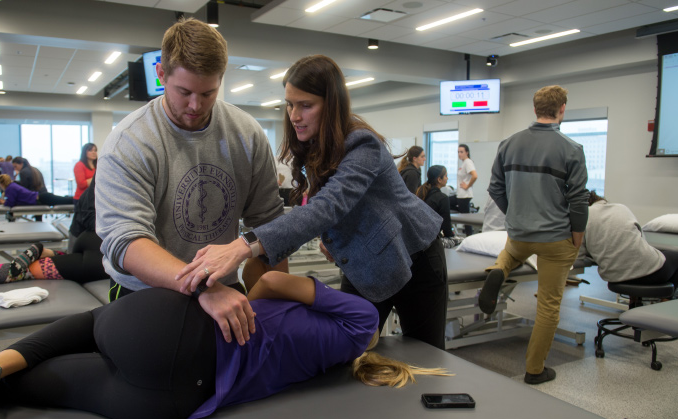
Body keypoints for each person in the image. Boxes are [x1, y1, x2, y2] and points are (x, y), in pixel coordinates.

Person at [0, 271, 451, 419]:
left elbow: (274, 280)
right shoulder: (321, 368)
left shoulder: (358, 320)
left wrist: (250, 302)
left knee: (69, 333)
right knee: (36, 387)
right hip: (178, 396)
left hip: (170, 326)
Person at [176, 55, 449, 349]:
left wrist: (243, 245)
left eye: (306, 105)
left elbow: (329, 206)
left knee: (426, 354)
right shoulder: (313, 145)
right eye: (290, 104)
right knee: (350, 352)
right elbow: (336, 209)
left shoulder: (362, 144)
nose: (294, 115)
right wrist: (333, 238)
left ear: (332, 105)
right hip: (365, 264)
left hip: (415, 256)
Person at [95, 18, 286, 344]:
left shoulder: (247, 134)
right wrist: (199, 285)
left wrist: (283, 297)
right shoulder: (130, 142)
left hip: (223, 286)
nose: (195, 105)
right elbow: (126, 242)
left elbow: (268, 222)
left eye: (208, 93)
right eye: (184, 92)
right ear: (161, 75)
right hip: (146, 290)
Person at [477, 85, 589, 385]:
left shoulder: (509, 143)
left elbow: (495, 188)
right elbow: (579, 200)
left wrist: (514, 213)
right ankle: (535, 369)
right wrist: (577, 235)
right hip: (555, 238)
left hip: (520, 233)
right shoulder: (571, 149)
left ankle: (499, 269)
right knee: (548, 306)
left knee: (511, 253)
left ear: (535, 108)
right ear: (562, 108)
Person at [579, 191, 678, 307]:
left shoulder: (583, 218)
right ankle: (665, 306)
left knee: (630, 263)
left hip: (615, 277)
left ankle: (634, 303)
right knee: (677, 258)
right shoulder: (621, 208)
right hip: (651, 274)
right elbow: (641, 239)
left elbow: (580, 254)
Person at [416, 165, 461, 248]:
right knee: (461, 241)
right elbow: (446, 226)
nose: (447, 178)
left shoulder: (422, 194)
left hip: (419, 238)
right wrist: (451, 237)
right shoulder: (442, 198)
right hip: (432, 241)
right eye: (446, 176)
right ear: (439, 179)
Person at [0, 174, 72, 208]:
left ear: (1, 183)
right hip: (42, 197)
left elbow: (10, 204)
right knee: (65, 200)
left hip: (42, 198)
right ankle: (75, 199)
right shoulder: (12, 186)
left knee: (68, 201)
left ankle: (79, 200)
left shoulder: (10, 188)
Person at [455, 144, 477, 213]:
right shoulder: (464, 163)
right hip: (461, 195)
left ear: (467, 152)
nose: (459, 154)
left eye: (461, 152)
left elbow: (475, 176)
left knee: (465, 218)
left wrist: (467, 186)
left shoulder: (468, 162)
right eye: (458, 152)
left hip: (465, 195)